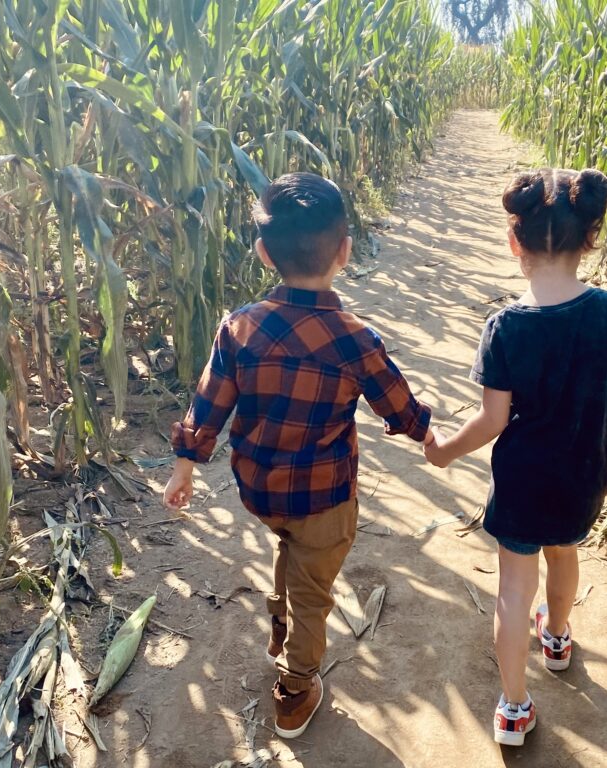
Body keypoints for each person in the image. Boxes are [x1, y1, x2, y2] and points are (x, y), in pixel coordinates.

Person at [164, 172, 432, 739]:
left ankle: (280, 629)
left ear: (263, 254)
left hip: (260, 491)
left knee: (289, 546)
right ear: (345, 251)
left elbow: (210, 403)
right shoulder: (355, 338)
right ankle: (294, 689)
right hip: (324, 497)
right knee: (314, 587)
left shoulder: (239, 328)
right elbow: (402, 409)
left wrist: (185, 465)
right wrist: (422, 431)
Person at [423, 168, 607, 747]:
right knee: (565, 554)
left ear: (514, 242)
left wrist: (445, 450)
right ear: (590, 239)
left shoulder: (505, 327)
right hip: (583, 478)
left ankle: (512, 707)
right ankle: (556, 639)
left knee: (511, 589)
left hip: (523, 484)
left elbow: (492, 420)